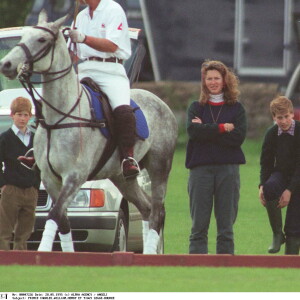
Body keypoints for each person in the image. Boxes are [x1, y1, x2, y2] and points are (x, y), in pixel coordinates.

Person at [68, 0, 139, 179]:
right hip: (85, 69)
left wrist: (84, 38)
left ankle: (128, 158)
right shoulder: (80, 16)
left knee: (122, 110)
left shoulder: (113, 9)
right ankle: (38, 151)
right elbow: (73, 55)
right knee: (58, 100)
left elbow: (112, 45)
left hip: (111, 71)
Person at [185, 60, 247, 254]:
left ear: (224, 80)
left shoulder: (237, 109)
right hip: (200, 171)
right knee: (198, 227)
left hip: (228, 170)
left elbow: (237, 138)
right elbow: (194, 132)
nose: (212, 82)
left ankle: (225, 268)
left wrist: (206, 130)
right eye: (209, 78)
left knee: (226, 227)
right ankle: (196, 268)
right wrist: (222, 128)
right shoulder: (196, 107)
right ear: (204, 82)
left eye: (216, 78)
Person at [259, 96, 300, 255]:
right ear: (273, 118)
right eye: (279, 118)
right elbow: (266, 163)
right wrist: (262, 186)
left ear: (292, 114)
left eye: (286, 117)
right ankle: (277, 234)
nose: (283, 121)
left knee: (293, 226)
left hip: (298, 176)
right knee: (269, 187)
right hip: (281, 173)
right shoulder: (271, 134)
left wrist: (289, 190)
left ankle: (290, 262)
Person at [0, 97, 40, 250]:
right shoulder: (5, 138)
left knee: (24, 233)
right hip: (11, 190)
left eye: (25, 115)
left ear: (30, 116)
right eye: (19, 114)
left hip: (30, 191)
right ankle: (3, 263)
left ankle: (21, 264)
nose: (22, 118)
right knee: (4, 231)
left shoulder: (36, 138)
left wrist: (36, 185)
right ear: (12, 115)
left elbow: (40, 164)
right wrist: (3, 185)